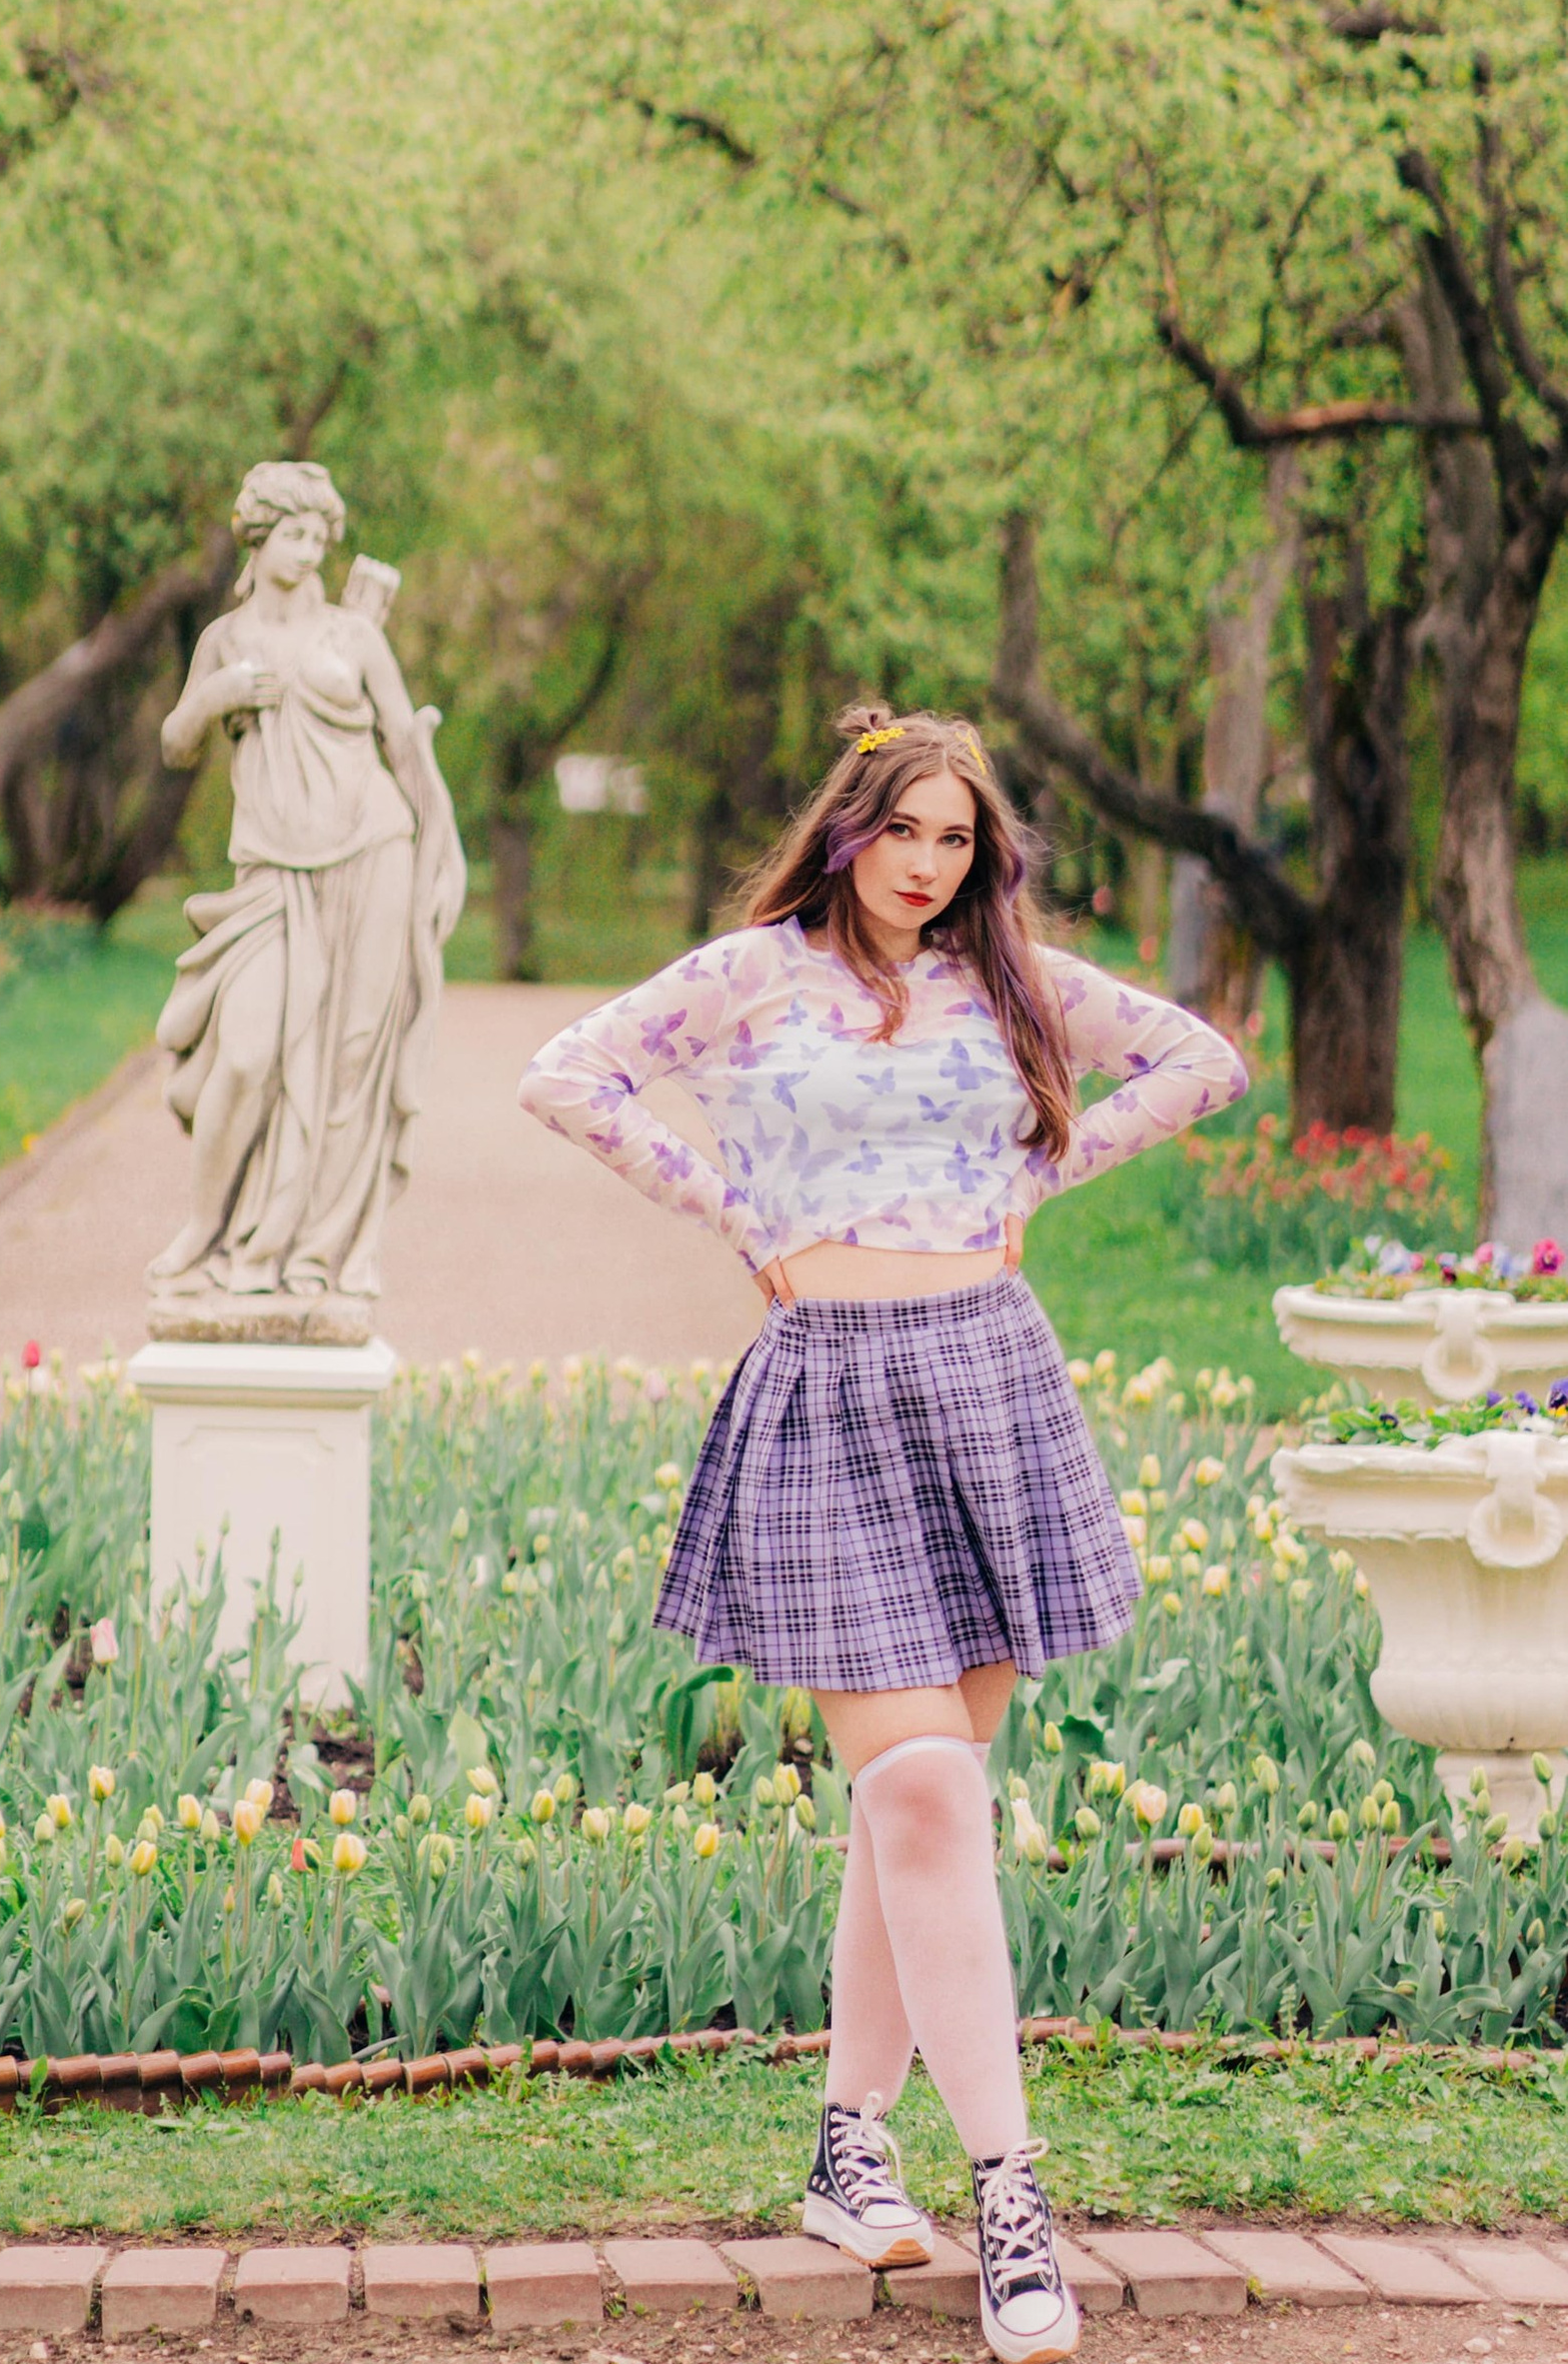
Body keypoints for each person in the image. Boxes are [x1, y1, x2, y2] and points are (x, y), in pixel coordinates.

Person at [519, 706, 1246, 2364]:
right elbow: (564, 1075)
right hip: (829, 1392)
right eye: (903, 831)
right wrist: (730, 1207)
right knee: (920, 1789)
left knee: (911, 1808)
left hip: (988, 1379)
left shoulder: (1011, 982)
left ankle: (855, 2149)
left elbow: (1202, 1061)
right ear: (848, 827)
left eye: (957, 842)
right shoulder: (752, 974)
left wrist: (1040, 1177)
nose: (929, 867)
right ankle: (1013, 2199)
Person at [149, 461, 463, 1305]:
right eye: (296, 534)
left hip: (373, 852)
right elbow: (176, 742)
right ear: (260, 536)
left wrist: (442, 854)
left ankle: (312, 1252)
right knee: (247, 1056)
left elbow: (406, 745)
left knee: (353, 1059)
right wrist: (216, 694)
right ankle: (206, 1230)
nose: (312, 550)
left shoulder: (354, 636)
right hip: (271, 873)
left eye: (322, 536)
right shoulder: (225, 639)